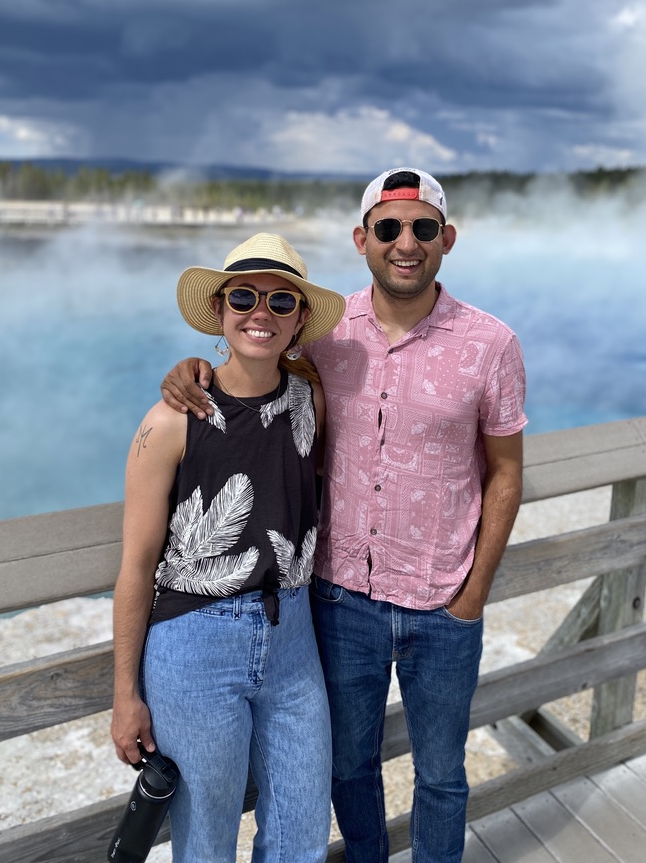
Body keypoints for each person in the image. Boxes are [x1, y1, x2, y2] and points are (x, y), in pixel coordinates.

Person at [161, 169, 527, 863]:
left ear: (447, 239)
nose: (405, 242)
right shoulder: (327, 338)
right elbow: (252, 354)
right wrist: (191, 368)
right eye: (388, 228)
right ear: (363, 240)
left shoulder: (492, 344)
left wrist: (473, 596)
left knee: (442, 777)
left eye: (422, 228)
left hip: (443, 600)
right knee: (348, 768)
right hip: (340, 600)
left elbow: (506, 471)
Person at [111, 232, 346, 863]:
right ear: (219, 311)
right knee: (206, 838)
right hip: (194, 645)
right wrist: (124, 695)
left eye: (280, 302)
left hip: (294, 638)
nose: (259, 313)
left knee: (300, 831)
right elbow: (135, 566)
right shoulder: (170, 420)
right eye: (243, 295)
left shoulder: (310, 400)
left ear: (299, 321)